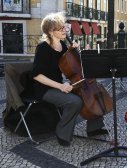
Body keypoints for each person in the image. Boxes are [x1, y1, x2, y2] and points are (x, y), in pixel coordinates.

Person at [31, 12, 108, 146]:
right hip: (44, 89)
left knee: (89, 94)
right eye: (60, 28)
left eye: (64, 27)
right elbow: (37, 75)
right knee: (74, 101)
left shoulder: (63, 46)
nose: (64, 30)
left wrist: (75, 51)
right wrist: (61, 86)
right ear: (50, 31)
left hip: (58, 84)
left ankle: (94, 128)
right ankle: (62, 133)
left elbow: (72, 66)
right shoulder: (43, 48)